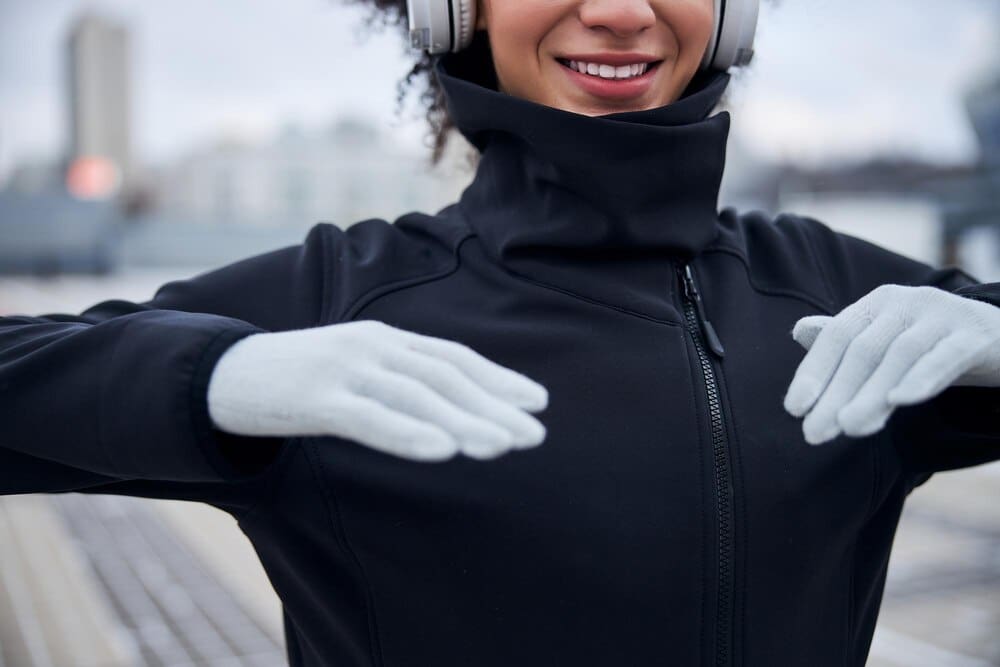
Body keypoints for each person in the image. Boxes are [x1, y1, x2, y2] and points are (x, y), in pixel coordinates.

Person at [3, 1, 1000, 665]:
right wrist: (207, 377)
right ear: (451, 6)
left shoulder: (834, 292)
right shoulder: (333, 300)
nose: (618, 9)